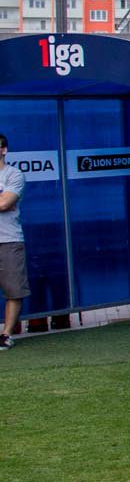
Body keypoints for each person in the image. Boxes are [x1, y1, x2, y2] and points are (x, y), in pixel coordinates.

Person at [0, 134, 23, 349]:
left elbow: (5, 203)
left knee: (13, 289)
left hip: (8, 239)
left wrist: (5, 200)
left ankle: (6, 334)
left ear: (3, 150)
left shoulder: (14, 174)